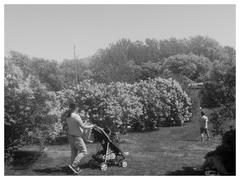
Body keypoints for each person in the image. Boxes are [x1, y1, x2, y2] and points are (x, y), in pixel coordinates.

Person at [66, 103, 94, 174]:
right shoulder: (76, 116)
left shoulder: (68, 116)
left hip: (70, 136)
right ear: (76, 108)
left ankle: (72, 169)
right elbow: (83, 127)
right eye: (78, 107)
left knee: (74, 152)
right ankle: (74, 165)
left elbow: (75, 125)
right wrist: (91, 126)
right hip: (76, 137)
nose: (78, 108)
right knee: (84, 151)